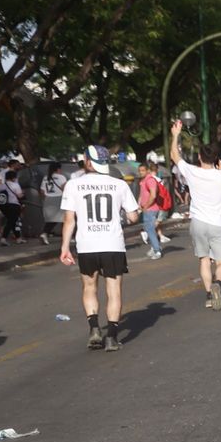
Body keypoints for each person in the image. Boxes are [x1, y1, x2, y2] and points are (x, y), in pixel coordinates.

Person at [59, 144, 141, 351]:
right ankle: (111, 337)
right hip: (113, 245)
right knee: (114, 291)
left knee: (89, 287)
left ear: (88, 162)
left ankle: (94, 328)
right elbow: (133, 217)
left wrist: (65, 247)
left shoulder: (73, 185)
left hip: (86, 245)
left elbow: (69, 220)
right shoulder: (119, 184)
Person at [169, 120, 221, 310]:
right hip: (218, 223)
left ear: (199, 157)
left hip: (198, 222)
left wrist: (175, 135)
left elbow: (174, 155)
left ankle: (208, 295)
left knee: (204, 260)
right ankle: (218, 284)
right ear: (216, 159)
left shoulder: (192, 171)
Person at [137, 160, 172, 260]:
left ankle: (157, 250)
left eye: (143, 170)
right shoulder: (143, 181)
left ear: (148, 170)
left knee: (151, 230)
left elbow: (153, 195)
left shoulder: (150, 180)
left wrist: (146, 206)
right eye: (140, 171)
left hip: (151, 209)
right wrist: (140, 205)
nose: (141, 172)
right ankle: (154, 248)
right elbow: (142, 194)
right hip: (147, 209)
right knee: (149, 229)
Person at [0, 158, 25, 245]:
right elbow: (20, 196)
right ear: (13, 178)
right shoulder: (15, 185)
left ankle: (18, 238)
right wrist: (24, 194)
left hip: (4, 206)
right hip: (14, 205)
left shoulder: (1, 186)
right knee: (12, 222)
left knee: (13, 221)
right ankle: (3, 239)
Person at [40, 163, 68, 244]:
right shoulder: (61, 177)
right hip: (59, 199)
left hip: (48, 199)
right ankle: (65, 238)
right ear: (58, 169)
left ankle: (45, 233)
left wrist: (46, 199)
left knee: (52, 219)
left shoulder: (46, 177)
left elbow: (42, 191)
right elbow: (65, 189)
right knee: (65, 219)